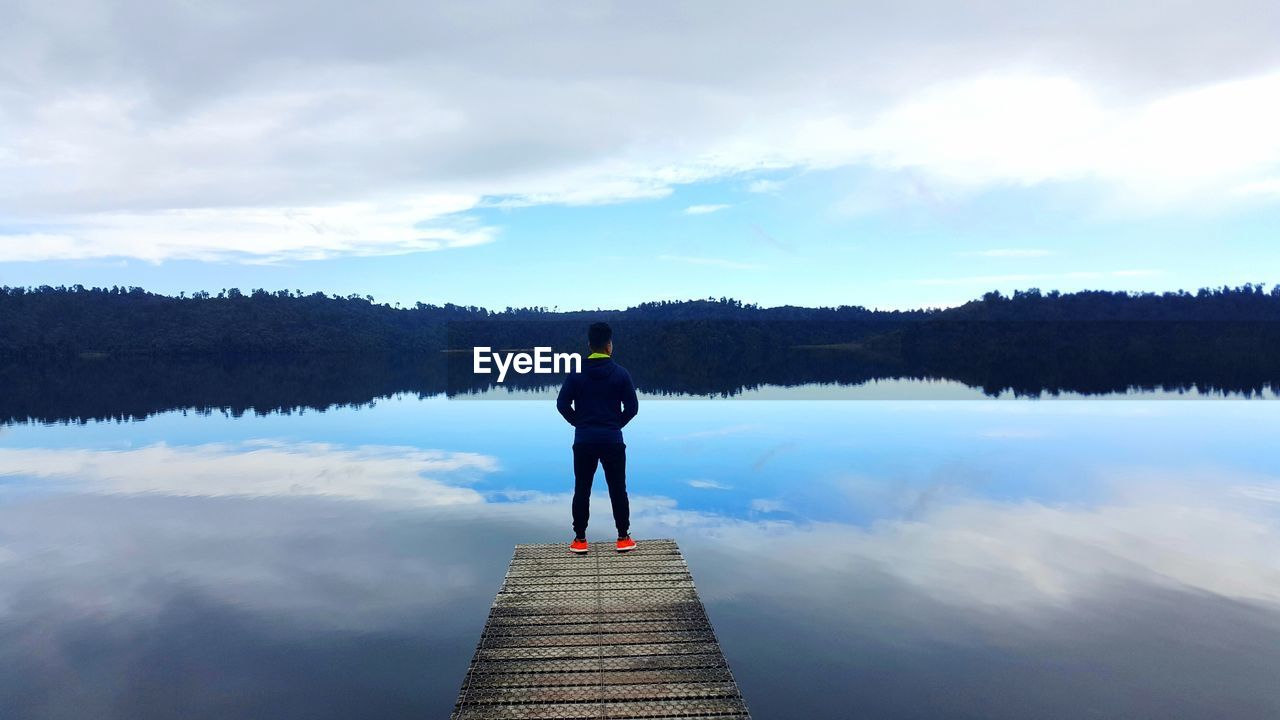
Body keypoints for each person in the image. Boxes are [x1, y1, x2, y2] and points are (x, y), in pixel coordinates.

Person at [556, 322, 638, 554]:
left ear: (589, 345)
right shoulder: (621, 374)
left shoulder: (576, 374)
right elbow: (632, 408)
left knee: (582, 489)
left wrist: (579, 423)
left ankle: (580, 540)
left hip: (584, 440)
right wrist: (614, 425)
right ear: (609, 346)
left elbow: (562, 405)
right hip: (612, 440)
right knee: (618, 489)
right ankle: (623, 538)